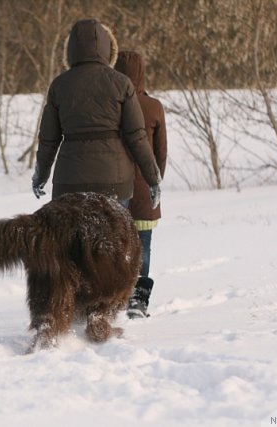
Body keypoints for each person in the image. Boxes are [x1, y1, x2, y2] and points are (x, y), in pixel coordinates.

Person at [32, 19, 161, 210]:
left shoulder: (59, 86)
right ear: (108, 49)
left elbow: (48, 140)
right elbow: (137, 136)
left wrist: (40, 176)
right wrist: (153, 179)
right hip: (114, 182)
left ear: (71, 50)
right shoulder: (121, 83)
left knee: (71, 239)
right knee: (112, 239)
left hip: (69, 182)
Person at [114, 51, 168, 319]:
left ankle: (115, 296)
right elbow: (161, 152)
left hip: (114, 184)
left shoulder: (111, 104)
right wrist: (155, 181)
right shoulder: (154, 106)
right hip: (145, 187)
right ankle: (138, 300)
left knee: (116, 244)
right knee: (143, 244)